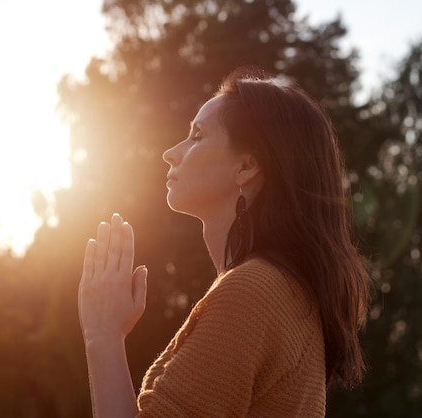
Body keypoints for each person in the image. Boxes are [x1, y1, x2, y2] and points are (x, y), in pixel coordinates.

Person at [78, 66, 372, 417]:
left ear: (247, 166)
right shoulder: (281, 292)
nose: (171, 152)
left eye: (197, 136)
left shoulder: (253, 293)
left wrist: (102, 335)